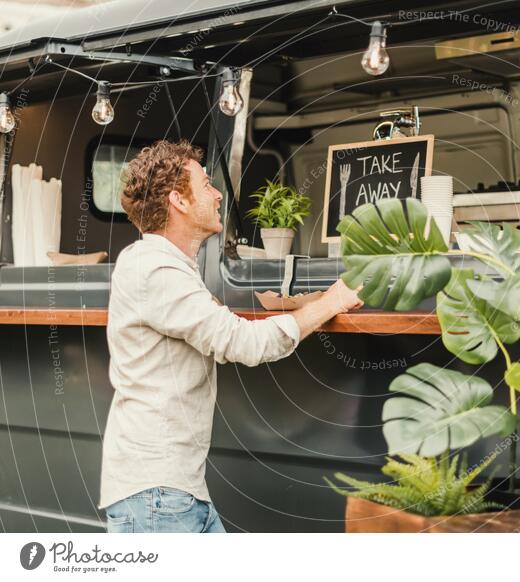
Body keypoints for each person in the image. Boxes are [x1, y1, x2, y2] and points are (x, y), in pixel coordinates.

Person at [99, 140, 363, 533]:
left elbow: (216, 321)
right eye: (206, 184)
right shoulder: (154, 270)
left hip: (174, 493)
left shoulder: (163, 266)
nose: (218, 193)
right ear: (179, 201)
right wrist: (332, 302)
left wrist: (314, 301)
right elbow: (244, 343)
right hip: (156, 498)